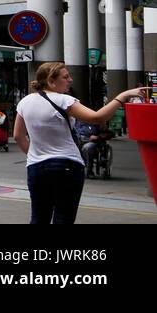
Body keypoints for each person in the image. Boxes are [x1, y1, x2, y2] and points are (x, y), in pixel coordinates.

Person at [12, 63, 143, 225]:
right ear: (51, 81)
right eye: (65, 77)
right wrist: (122, 97)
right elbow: (97, 117)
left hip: (36, 167)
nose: (70, 80)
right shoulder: (64, 100)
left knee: (39, 217)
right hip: (67, 165)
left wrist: (34, 155)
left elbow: (18, 135)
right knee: (64, 218)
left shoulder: (25, 102)